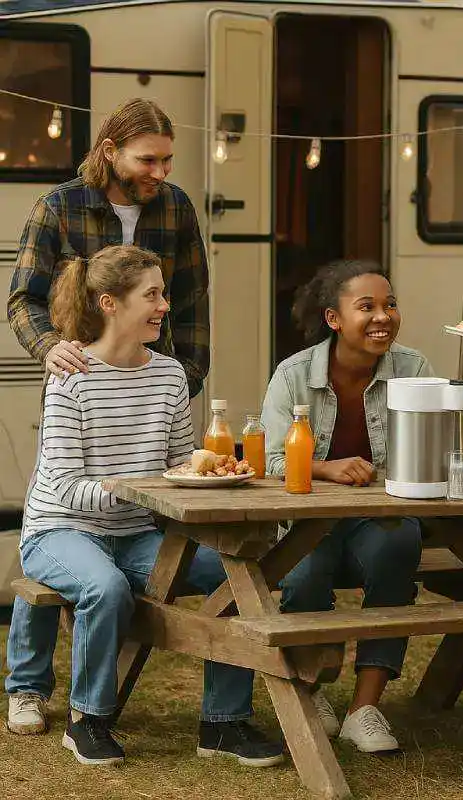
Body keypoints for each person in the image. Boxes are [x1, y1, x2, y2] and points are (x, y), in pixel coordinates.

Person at [18, 244, 281, 767]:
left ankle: (223, 724)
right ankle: (87, 720)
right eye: (152, 295)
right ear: (111, 303)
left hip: (139, 533)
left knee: (238, 575)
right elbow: (66, 486)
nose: (165, 306)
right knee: (105, 587)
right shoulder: (70, 378)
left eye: (164, 293)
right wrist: (148, 492)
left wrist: (207, 478)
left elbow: (182, 465)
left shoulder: (170, 377)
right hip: (61, 531)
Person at [6, 98, 210, 736]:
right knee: (65, 512)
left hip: (148, 380)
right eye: (147, 158)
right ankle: (29, 686)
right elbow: (24, 298)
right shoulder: (60, 206)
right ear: (110, 151)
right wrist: (52, 351)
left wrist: (177, 379)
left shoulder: (174, 207)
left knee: (109, 548)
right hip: (78, 372)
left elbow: (195, 301)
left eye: (167, 158)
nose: (159, 170)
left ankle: (222, 716)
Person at [261, 259, 430, 754]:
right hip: (309, 519)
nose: (383, 317)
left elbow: (430, 448)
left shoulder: (413, 368)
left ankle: (365, 708)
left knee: (399, 542)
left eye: (390, 305)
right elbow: (272, 459)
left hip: (377, 516)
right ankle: (311, 692)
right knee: (306, 567)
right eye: (367, 307)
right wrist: (323, 467)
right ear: (334, 319)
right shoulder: (294, 375)